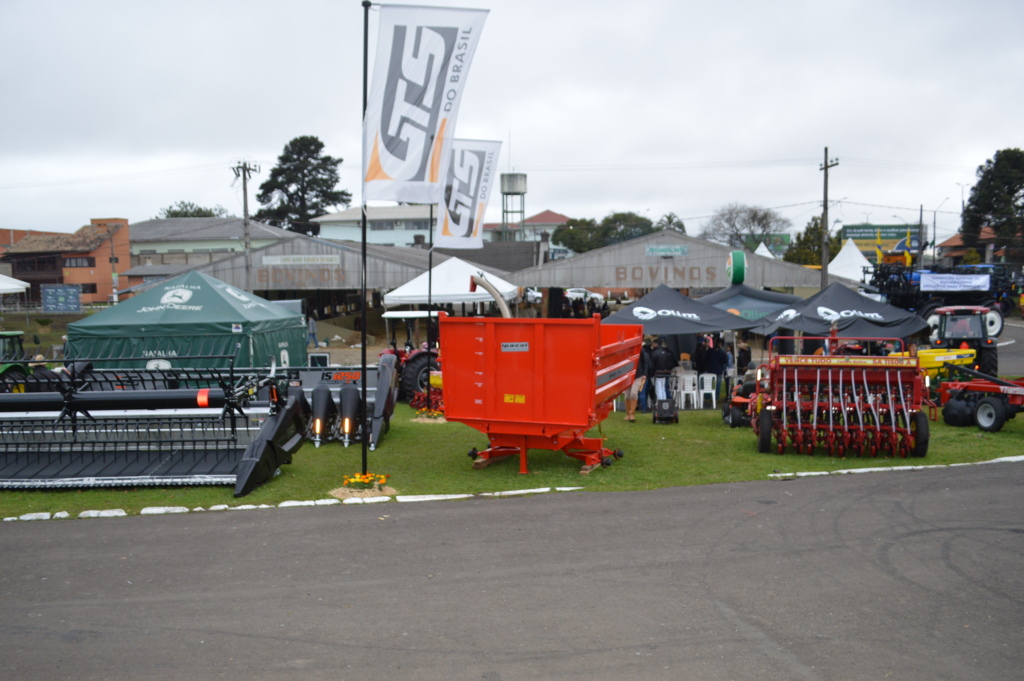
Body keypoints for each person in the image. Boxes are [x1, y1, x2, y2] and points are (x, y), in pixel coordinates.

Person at [623, 337, 652, 422]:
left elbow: (645, 362)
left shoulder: (641, 351)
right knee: (627, 395)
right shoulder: (626, 352)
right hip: (628, 375)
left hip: (638, 375)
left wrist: (644, 374)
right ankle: (628, 414)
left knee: (633, 393)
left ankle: (631, 414)